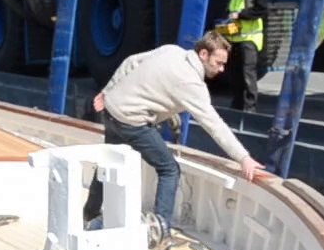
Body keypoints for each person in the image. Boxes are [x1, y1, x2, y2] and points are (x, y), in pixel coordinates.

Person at [83, 32, 265, 232]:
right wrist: (243, 157)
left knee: (107, 163)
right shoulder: (192, 84)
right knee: (169, 169)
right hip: (131, 120)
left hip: (112, 109)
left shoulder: (172, 51)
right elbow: (214, 124)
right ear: (203, 54)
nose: (221, 69)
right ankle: (159, 229)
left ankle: (89, 213)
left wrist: (107, 91)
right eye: (218, 63)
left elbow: (131, 62)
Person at [220, 0, 268, 111]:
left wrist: (241, 14)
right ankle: (237, 104)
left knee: (248, 74)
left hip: (249, 38)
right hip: (234, 38)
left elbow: (262, 10)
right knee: (235, 75)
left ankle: (250, 108)